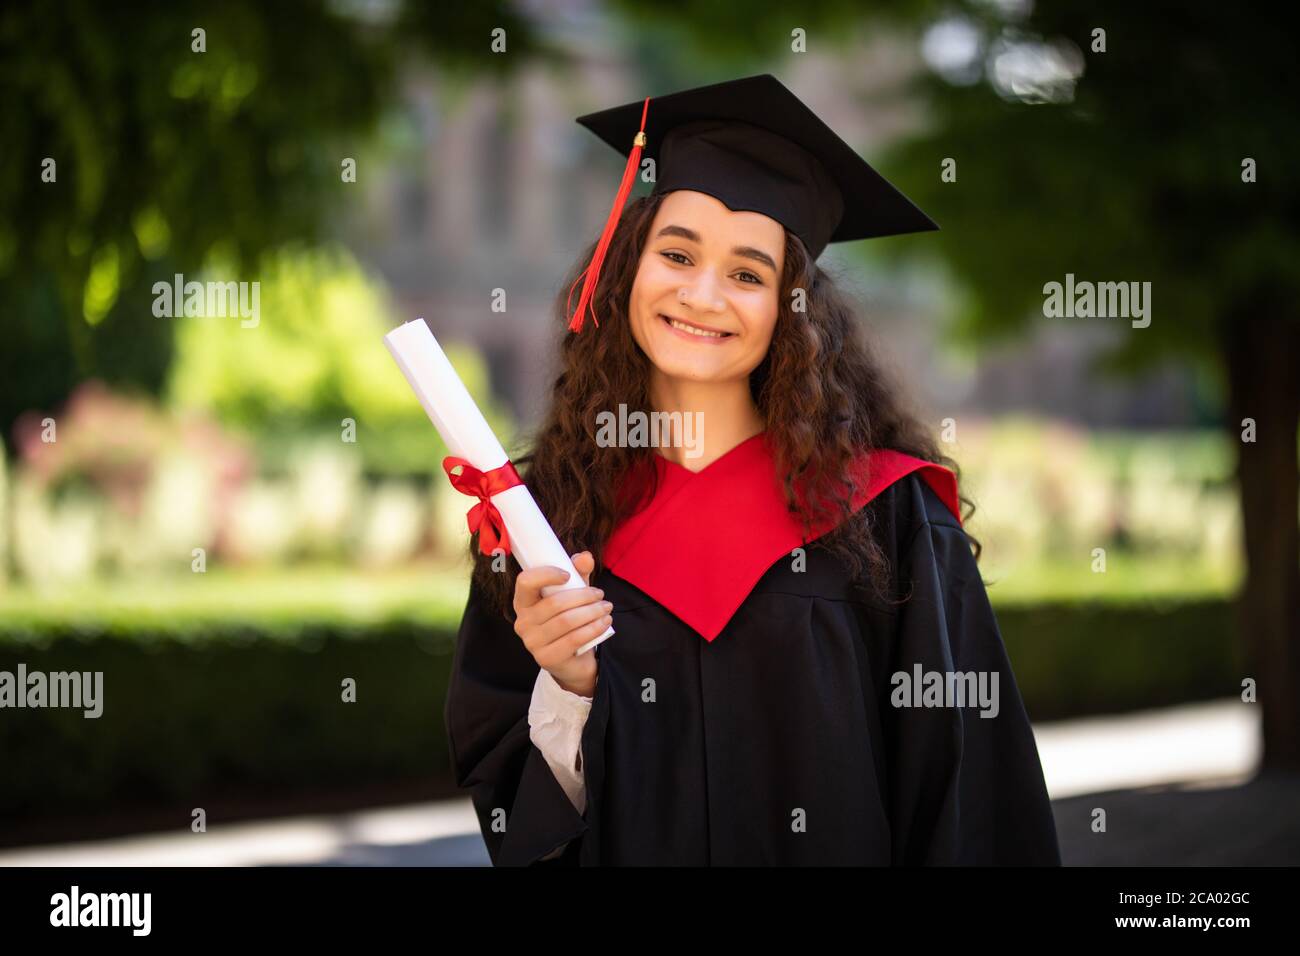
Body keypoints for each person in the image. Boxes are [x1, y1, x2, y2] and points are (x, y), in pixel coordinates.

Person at [443, 74, 1061, 866]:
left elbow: (969, 798)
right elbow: (519, 822)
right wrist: (567, 688)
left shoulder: (885, 517)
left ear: (791, 308)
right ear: (627, 269)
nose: (702, 294)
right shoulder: (546, 525)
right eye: (677, 253)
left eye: (747, 274)